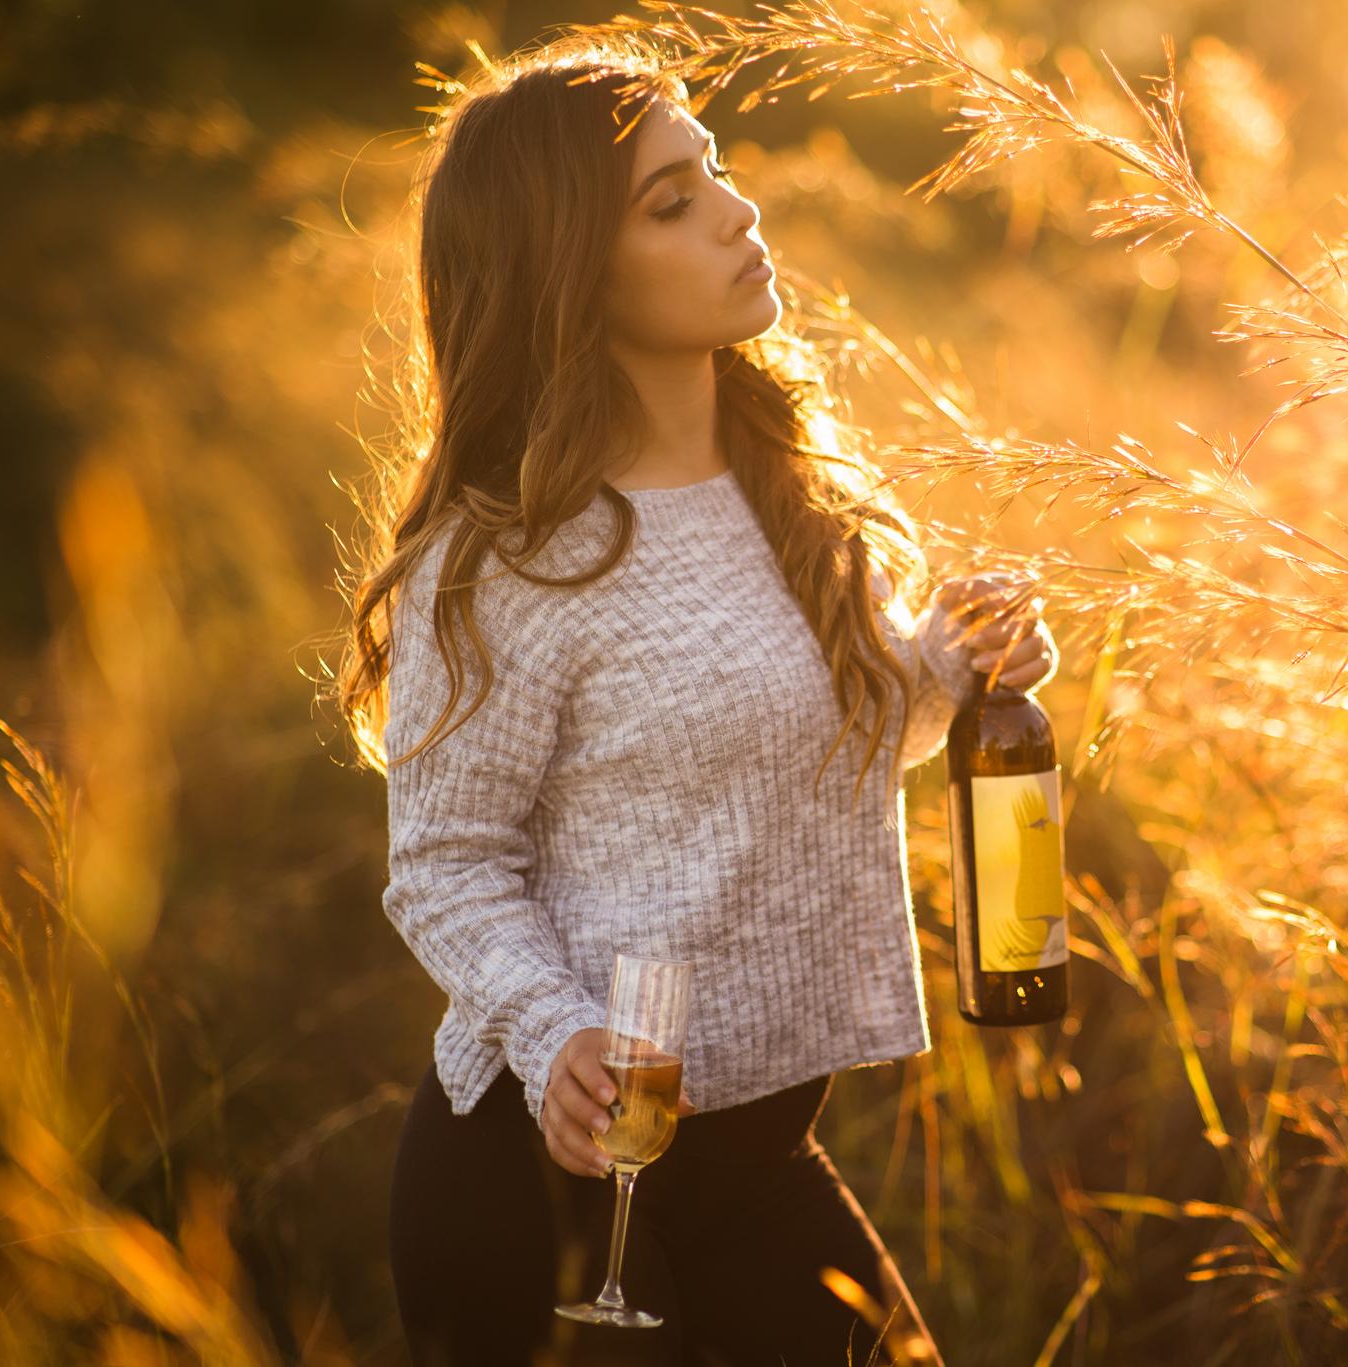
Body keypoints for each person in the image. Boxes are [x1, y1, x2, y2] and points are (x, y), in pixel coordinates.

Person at [330, 25, 1059, 1367]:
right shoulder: (501, 561)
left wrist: (955, 667)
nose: (739, 211)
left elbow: (827, 746)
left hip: (758, 1157)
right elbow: (444, 864)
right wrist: (553, 1033)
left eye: (714, 170)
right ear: (572, 277)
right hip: (545, 1182)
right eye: (674, 202)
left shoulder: (791, 493)